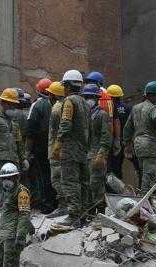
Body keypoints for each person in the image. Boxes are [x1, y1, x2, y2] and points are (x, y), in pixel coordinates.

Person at [123, 81, 156, 202]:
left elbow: (127, 128)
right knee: (150, 176)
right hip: (149, 145)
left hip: (138, 145)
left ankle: (148, 203)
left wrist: (127, 143)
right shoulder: (153, 109)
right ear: (151, 95)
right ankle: (145, 204)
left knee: (143, 174)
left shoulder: (135, 108)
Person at [52, 70, 90, 227]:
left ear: (67, 85)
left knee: (69, 182)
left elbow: (65, 122)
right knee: (83, 183)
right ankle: (83, 216)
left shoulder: (69, 102)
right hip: (83, 149)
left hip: (70, 149)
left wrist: (58, 142)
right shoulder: (85, 104)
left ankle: (73, 215)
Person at [0, 89, 29, 217]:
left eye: (14, 104)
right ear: (3, 103)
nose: (12, 107)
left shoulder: (15, 124)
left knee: (15, 188)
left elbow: (19, 143)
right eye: (10, 103)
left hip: (13, 159)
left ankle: (12, 212)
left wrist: (23, 158)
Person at [0, 163, 33, 267]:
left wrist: (21, 237)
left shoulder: (21, 192)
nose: (5, 181)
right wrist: (30, 226)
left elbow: (24, 214)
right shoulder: (9, 191)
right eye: (3, 178)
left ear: (17, 177)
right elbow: (17, 211)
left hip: (12, 236)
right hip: (4, 235)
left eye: (8, 178)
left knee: (9, 264)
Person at [81, 84, 112, 214]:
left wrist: (102, 154)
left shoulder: (101, 115)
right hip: (85, 154)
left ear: (97, 98)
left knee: (97, 183)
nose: (88, 100)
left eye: (91, 97)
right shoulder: (84, 115)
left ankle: (100, 210)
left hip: (96, 154)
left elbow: (106, 136)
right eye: (86, 97)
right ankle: (89, 210)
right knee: (86, 184)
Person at [26, 78, 54, 213]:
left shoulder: (37, 105)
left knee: (43, 176)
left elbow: (31, 130)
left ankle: (46, 203)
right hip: (53, 145)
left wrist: (28, 151)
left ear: (38, 91)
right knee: (52, 174)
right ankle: (54, 202)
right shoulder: (56, 103)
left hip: (40, 146)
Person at [85, 72, 122, 164]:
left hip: (97, 139)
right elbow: (116, 120)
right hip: (106, 138)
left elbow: (115, 119)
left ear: (98, 84)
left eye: (91, 82)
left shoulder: (85, 98)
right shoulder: (109, 99)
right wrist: (117, 138)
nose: (88, 84)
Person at [107, 84, 141, 181]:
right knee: (123, 166)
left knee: (113, 167)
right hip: (126, 142)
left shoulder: (110, 108)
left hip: (113, 142)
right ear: (120, 96)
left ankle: (114, 191)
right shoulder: (128, 108)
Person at [45, 82, 67, 219]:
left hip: (56, 149)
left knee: (57, 178)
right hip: (67, 149)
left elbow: (54, 131)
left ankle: (63, 206)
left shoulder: (56, 109)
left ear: (52, 95)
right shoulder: (66, 106)